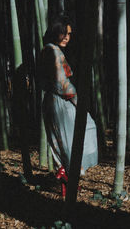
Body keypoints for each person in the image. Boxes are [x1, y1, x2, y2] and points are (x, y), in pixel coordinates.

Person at [40, 15, 98, 197]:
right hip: (61, 102)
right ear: (55, 32)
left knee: (64, 141)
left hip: (53, 101)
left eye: (69, 34)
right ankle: (67, 177)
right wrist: (77, 101)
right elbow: (61, 83)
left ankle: (66, 177)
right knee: (83, 131)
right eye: (64, 33)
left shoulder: (47, 50)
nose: (67, 37)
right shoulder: (53, 52)